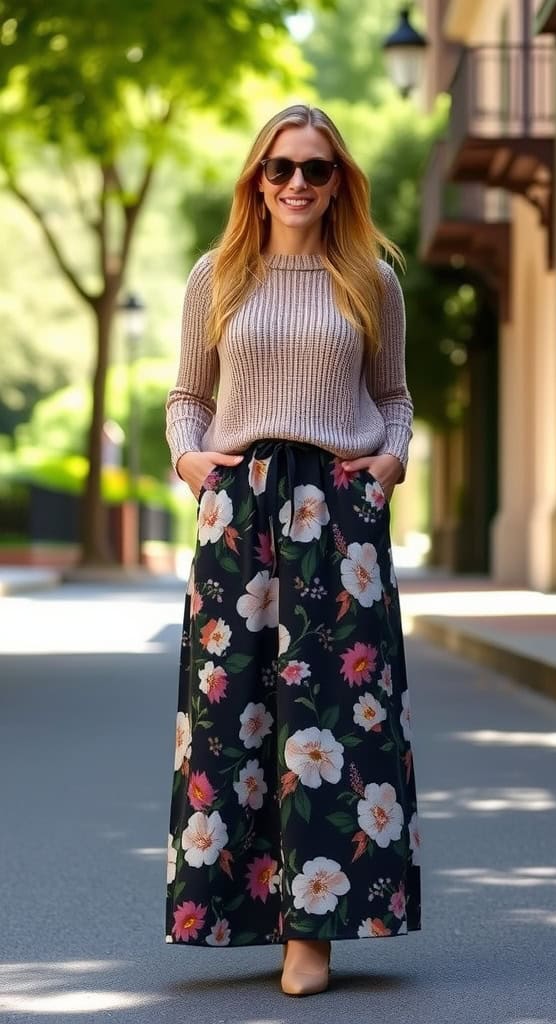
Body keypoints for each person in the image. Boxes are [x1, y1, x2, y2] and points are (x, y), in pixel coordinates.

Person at [165, 103, 421, 997]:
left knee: (334, 722)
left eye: (317, 169)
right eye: (281, 169)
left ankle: (312, 934)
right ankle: (242, 910)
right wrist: (194, 464)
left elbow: (392, 394)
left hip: (339, 516)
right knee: (236, 712)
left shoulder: (371, 279)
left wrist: (387, 464)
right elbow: (186, 398)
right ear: (257, 181)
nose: (299, 184)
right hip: (238, 513)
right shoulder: (218, 274)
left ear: (340, 180)